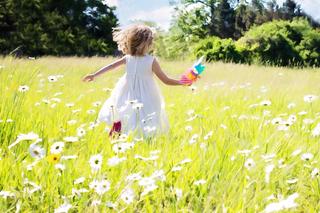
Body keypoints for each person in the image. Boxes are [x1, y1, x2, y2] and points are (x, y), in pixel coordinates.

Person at [82, 24, 192, 137]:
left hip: (140, 93)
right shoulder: (137, 59)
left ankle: (137, 137)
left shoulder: (146, 60)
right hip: (133, 92)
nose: (151, 45)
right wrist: (94, 75)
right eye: (150, 42)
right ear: (143, 43)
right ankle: (122, 134)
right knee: (130, 112)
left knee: (134, 113)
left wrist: (181, 82)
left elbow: (165, 80)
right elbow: (111, 66)